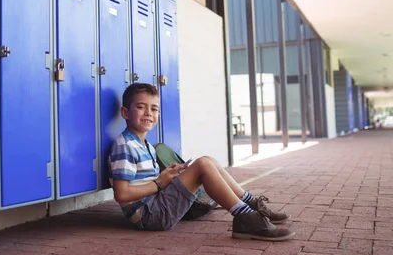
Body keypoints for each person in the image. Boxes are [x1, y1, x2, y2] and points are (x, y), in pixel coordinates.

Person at [108, 83, 295, 241]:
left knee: (208, 160)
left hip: (157, 206)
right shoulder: (125, 146)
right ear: (125, 112)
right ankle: (246, 217)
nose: (148, 113)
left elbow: (145, 181)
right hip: (150, 216)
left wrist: (169, 176)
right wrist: (159, 183)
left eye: (154, 108)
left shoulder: (145, 145)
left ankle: (252, 206)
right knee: (203, 165)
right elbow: (122, 194)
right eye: (141, 107)